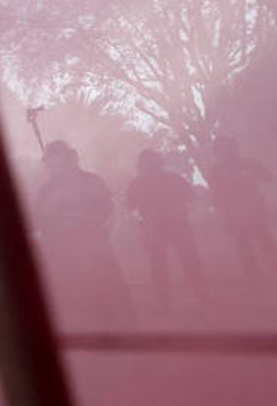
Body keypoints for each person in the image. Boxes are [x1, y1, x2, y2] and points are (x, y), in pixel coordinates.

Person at [33, 139, 136, 328]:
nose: (55, 164)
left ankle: (127, 325)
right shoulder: (47, 191)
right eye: (51, 160)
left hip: (96, 244)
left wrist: (86, 216)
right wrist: (57, 233)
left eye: (58, 159)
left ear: (69, 158)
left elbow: (107, 206)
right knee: (83, 292)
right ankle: (99, 330)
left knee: (112, 285)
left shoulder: (90, 180)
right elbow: (42, 222)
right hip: (68, 251)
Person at [125, 149, 207, 312]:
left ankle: (171, 302)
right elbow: (191, 196)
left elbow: (130, 206)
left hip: (168, 227)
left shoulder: (141, 183)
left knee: (167, 266)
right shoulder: (170, 178)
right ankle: (199, 297)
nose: (150, 166)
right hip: (168, 227)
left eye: (150, 163)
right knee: (181, 264)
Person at [207, 136, 277, 281]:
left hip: (255, 211)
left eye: (230, 147)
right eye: (223, 149)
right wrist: (222, 213)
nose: (228, 151)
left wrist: (254, 175)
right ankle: (254, 280)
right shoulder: (216, 170)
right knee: (244, 249)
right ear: (217, 152)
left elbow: (268, 177)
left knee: (266, 244)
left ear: (235, 148)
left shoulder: (248, 163)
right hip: (234, 214)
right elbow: (215, 195)